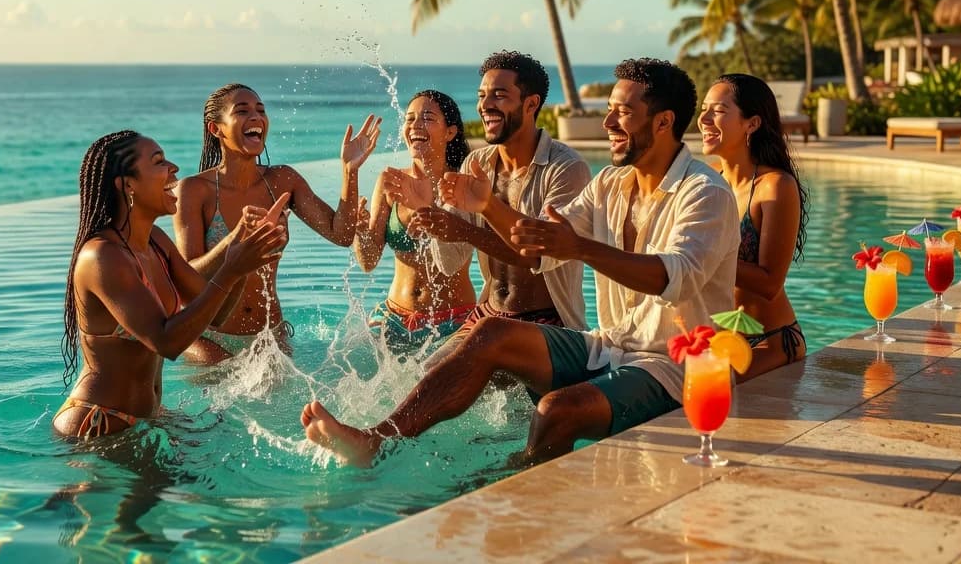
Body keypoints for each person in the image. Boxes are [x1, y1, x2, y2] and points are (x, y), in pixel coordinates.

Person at [300, 58, 738, 466]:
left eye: (621, 112)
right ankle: (376, 440)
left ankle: (498, 485)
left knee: (556, 410)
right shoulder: (610, 183)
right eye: (608, 110)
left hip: (674, 365)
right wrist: (483, 207)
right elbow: (539, 246)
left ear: (663, 122)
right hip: (607, 346)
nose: (606, 123)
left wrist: (579, 247)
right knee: (488, 333)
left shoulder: (705, 193)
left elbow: (673, 278)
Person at [53, 130, 286, 440]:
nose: (174, 168)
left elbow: (217, 316)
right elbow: (167, 342)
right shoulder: (103, 257)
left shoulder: (156, 242)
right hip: (99, 425)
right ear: (128, 185)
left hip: (148, 418)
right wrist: (231, 269)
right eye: (159, 161)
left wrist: (247, 258)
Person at [389, 51, 591, 365]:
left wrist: (469, 224)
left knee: (462, 372)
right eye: (482, 95)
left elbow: (539, 257)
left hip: (548, 322)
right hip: (489, 313)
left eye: (499, 95)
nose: (485, 105)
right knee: (429, 372)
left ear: (531, 104)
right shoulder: (477, 163)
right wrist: (434, 216)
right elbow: (450, 262)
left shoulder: (566, 169)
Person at [174, 84, 381, 363]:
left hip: (270, 339)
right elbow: (186, 278)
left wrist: (349, 171)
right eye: (242, 111)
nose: (256, 117)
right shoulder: (194, 190)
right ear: (216, 129)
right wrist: (236, 239)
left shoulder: (282, 181)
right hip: (211, 341)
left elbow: (341, 234)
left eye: (261, 110)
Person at [698, 73, 808, 378]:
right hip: (721, 339)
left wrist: (699, 261)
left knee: (700, 392)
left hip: (768, 341)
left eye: (718, 111)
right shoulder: (708, 179)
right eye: (704, 110)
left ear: (752, 123)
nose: (704, 119)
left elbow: (770, 283)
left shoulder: (775, 186)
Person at [354, 90, 477, 348]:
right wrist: (360, 231)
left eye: (427, 118)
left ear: (450, 132)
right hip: (393, 318)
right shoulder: (390, 181)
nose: (415, 125)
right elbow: (368, 261)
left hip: (454, 320)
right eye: (409, 118)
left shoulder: (464, 185)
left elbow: (459, 256)